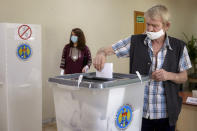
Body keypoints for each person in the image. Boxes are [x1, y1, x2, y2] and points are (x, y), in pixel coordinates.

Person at [93, 5, 192, 131]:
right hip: (139, 112)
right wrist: (101, 53)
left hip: (166, 114)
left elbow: (183, 77)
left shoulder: (179, 47)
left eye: (155, 26)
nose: (150, 29)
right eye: (148, 24)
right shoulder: (135, 42)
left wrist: (168, 75)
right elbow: (106, 49)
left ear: (167, 26)